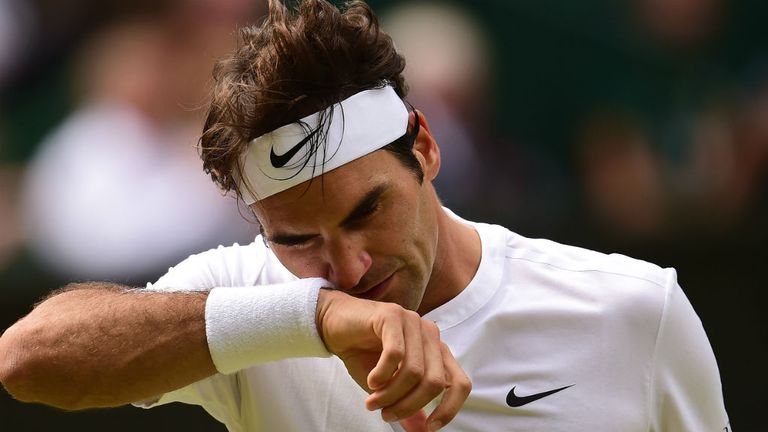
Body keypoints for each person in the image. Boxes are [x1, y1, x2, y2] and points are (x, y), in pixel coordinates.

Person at [0, 1, 730, 431]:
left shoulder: (636, 313)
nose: (347, 268)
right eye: (296, 240)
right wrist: (313, 321)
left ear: (426, 146)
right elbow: (28, 360)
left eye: (366, 209)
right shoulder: (257, 294)